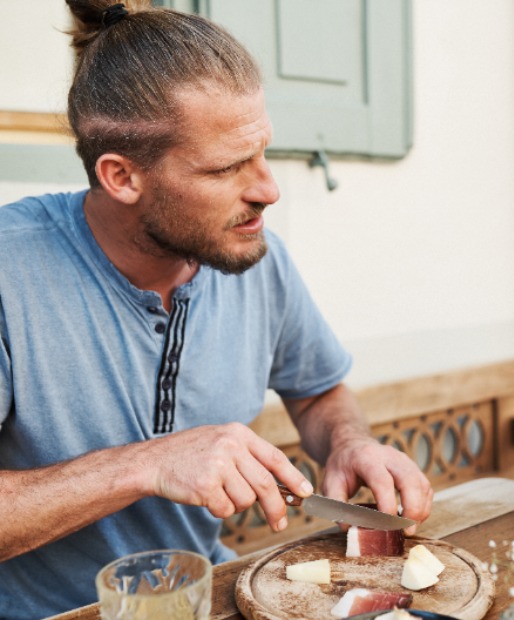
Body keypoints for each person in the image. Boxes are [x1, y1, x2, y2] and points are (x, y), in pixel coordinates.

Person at [0, 1, 433, 617]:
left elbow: (316, 392)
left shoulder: (258, 261)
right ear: (122, 177)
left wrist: (346, 442)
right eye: (228, 167)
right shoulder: (10, 269)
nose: (268, 189)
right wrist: (148, 464)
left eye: (262, 152)